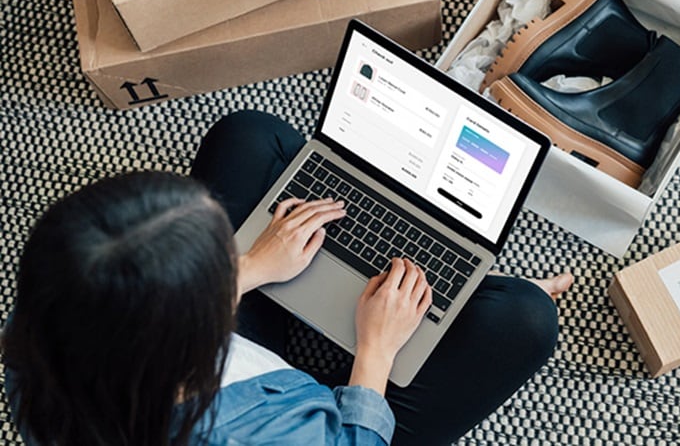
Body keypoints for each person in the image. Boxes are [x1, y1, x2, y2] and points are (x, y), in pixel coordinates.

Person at [2, 110, 573, 445]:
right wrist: (375, 350)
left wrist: (254, 265)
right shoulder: (275, 435)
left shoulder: (41, 330)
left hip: (201, 371)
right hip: (320, 416)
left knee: (248, 134)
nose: (233, 250)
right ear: (193, 333)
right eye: (220, 263)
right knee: (523, 319)